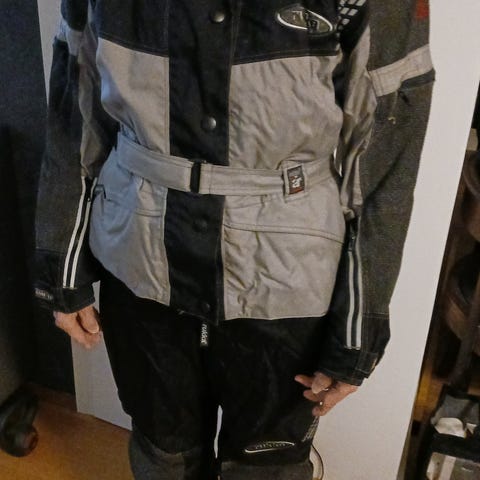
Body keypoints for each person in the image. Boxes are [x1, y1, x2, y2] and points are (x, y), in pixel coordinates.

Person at [35, 1, 434, 478]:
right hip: (139, 259)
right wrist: (61, 263)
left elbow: (387, 153)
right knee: (162, 454)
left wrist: (359, 326)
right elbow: (74, 107)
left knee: (267, 465)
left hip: (287, 278)